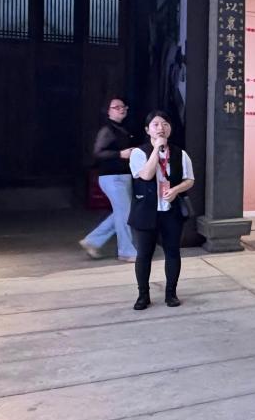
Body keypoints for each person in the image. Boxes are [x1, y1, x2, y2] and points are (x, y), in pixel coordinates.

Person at [127, 111, 194, 310]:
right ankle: (143, 295)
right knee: (144, 254)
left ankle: (171, 293)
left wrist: (176, 190)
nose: (161, 128)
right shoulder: (139, 153)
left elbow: (190, 180)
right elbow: (146, 175)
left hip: (170, 211)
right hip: (145, 211)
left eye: (165, 124)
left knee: (172, 252)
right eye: (155, 124)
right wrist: (156, 149)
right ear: (147, 130)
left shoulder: (180, 154)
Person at [80, 96, 137, 262]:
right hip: (112, 177)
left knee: (122, 212)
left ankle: (92, 241)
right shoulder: (107, 130)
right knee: (125, 214)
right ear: (108, 111)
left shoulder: (123, 128)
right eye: (116, 107)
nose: (121, 109)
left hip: (123, 177)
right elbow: (98, 153)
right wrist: (120, 154)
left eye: (123, 106)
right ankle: (127, 251)